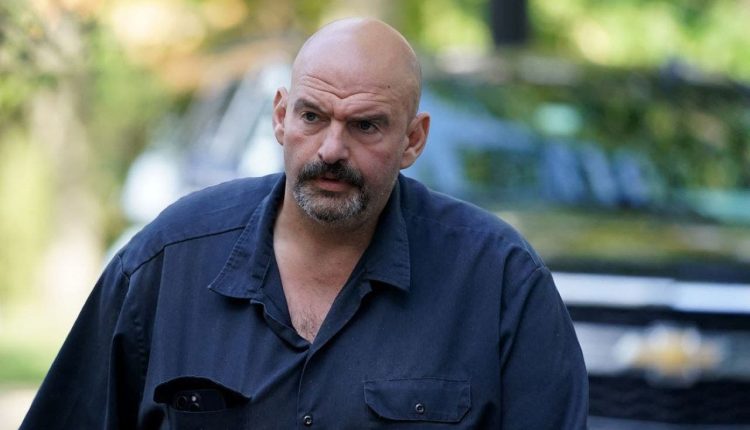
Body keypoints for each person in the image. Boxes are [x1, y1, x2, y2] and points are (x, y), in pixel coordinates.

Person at [21, 17, 588, 429]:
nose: (332, 149)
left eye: (365, 126)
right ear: (280, 116)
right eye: (312, 116)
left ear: (413, 140)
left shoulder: (499, 282)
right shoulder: (169, 261)